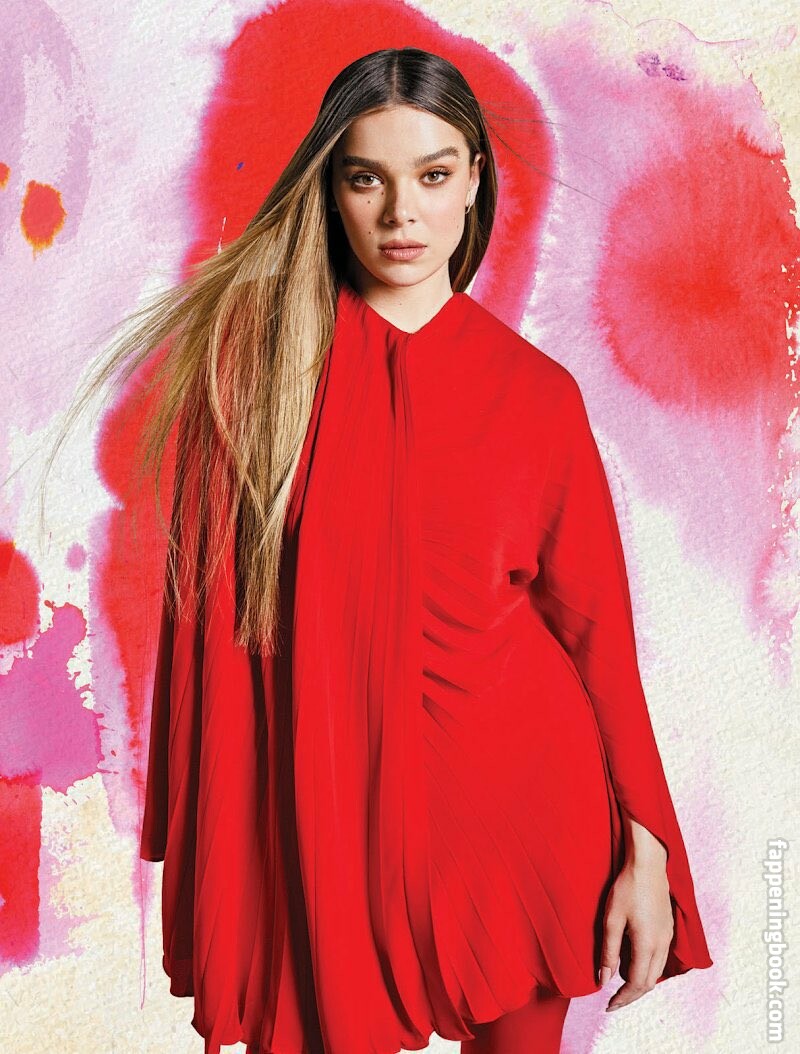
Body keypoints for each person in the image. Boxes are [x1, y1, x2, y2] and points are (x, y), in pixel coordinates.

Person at [52, 46, 712, 1054]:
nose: (403, 212)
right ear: (331, 187)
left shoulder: (537, 396)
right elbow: (209, 647)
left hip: (523, 827)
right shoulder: (253, 381)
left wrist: (649, 849)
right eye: (368, 178)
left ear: (474, 179)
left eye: (433, 174)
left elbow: (598, 644)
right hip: (324, 836)